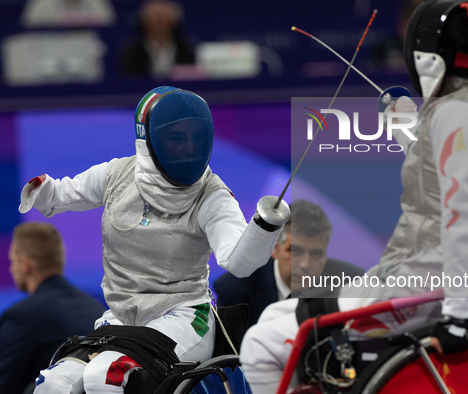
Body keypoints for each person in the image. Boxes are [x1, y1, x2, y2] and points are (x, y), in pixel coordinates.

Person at [240, 0, 468, 392]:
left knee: (259, 344)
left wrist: (456, 316)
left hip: (421, 289)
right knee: (274, 316)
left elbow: (464, 217)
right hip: (417, 279)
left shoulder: (461, 115)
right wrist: (404, 123)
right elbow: (438, 171)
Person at [18, 86, 289, 394]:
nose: (189, 148)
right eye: (177, 138)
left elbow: (240, 262)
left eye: (196, 137)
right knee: (53, 384)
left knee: (107, 377)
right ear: (149, 140)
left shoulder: (212, 196)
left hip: (186, 318)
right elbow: (60, 195)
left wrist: (264, 227)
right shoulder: (117, 175)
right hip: (121, 318)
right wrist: (39, 191)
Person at [214, 199, 365, 327]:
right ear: (275, 248)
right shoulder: (234, 290)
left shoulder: (351, 283)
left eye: (316, 254)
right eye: (294, 251)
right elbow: (228, 357)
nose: (305, 264)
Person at [0, 222, 105, 394]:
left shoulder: (21, 316)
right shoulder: (96, 309)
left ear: (26, 264)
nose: (11, 268)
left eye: (12, 260)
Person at [119, 0, 195, 78]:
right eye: (154, 21)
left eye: (162, 21)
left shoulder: (185, 48)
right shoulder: (133, 51)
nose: (159, 27)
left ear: (172, 23)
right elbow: (129, 77)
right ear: (145, 23)